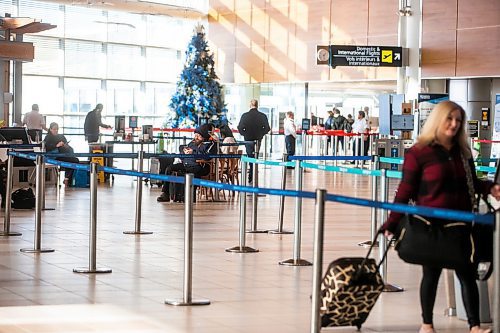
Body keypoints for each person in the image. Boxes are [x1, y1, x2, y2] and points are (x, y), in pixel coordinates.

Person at [380, 101, 500, 333]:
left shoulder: (462, 152)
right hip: (431, 225)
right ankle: (427, 324)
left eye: (458, 120)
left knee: (466, 273)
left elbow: (471, 183)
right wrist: (392, 222)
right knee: (431, 273)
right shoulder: (419, 153)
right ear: (438, 120)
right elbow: (405, 191)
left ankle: (474, 326)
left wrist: (488, 188)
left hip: (461, 223)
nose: (454, 124)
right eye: (450, 118)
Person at [157, 124, 217, 203]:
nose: (196, 137)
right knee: (169, 168)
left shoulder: (210, 144)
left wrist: (194, 152)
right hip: (186, 164)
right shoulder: (192, 143)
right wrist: (184, 151)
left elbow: (207, 157)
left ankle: (189, 196)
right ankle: (166, 193)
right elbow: (183, 153)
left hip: (200, 166)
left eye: (198, 136)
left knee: (192, 172)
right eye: (195, 135)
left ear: (204, 136)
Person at [237, 99, 270, 183]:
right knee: (256, 156)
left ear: (250, 105)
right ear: (257, 105)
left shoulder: (245, 116)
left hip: (248, 139)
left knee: (250, 156)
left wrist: (244, 133)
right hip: (258, 139)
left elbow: (240, 127)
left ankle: (251, 174)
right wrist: (261, 134)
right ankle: (253, 174)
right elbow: (267, 128)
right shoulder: (262, 116)